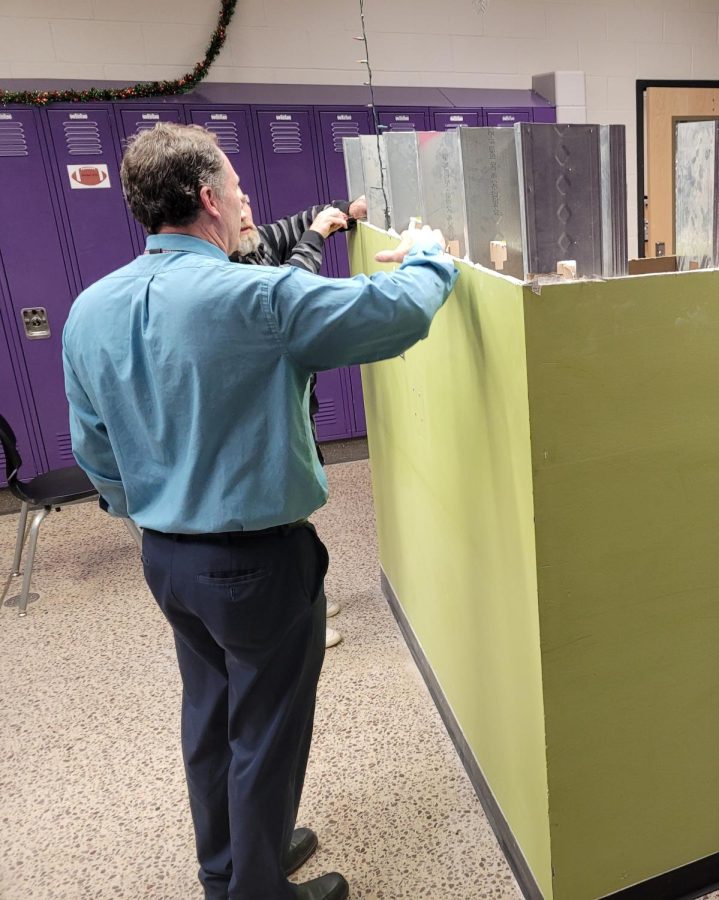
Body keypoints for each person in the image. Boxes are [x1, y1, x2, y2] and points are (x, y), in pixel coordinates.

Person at [62, 123, 457, 900]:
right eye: (239, 188)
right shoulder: (257, 296)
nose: (248, 204)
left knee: (211, 716)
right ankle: (257, 891)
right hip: (255, 564)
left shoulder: (90, 308)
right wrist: (431, 255)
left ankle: (236, 862)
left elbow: (94, 449)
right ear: (209, 199)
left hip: (166, 560)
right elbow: (397, 315)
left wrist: (145, 511)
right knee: (268, 733)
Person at [232, 190, 369, 651]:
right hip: (261, 419)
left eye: (249, 198)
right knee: (281, 521)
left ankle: (308, 594)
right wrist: (314, 236)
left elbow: (298, 223)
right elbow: (289, 300)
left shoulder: (254, 242)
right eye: (237, 199)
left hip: (291, 406)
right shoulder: (230, 271)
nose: (248, 207)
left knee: (299, 514)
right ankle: (296, 616)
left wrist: (342, 214)